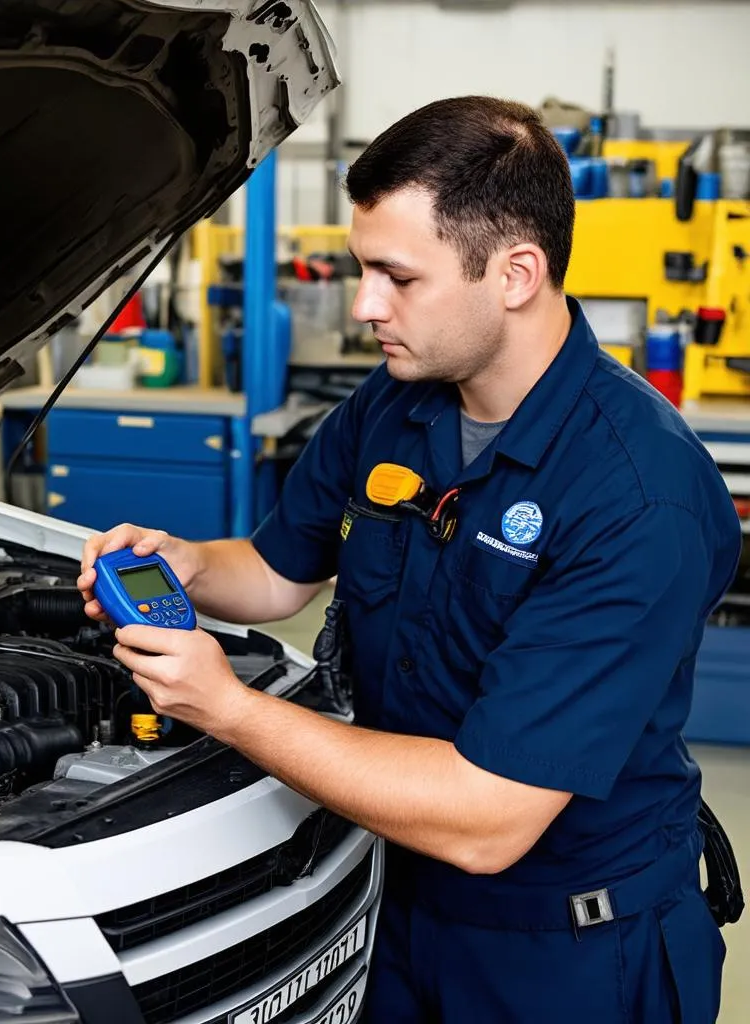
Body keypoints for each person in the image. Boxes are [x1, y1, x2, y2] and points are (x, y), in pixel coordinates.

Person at [76, 95, 741, 1023]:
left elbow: (487, 819)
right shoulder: (394, 406)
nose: (363, 306)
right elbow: (275, 573)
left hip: (574, 953)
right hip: (392, 901)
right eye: (362, 271)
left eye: (397, 276)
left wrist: (229, 707)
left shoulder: (638, 495)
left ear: (514, 274)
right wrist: (186, 563)